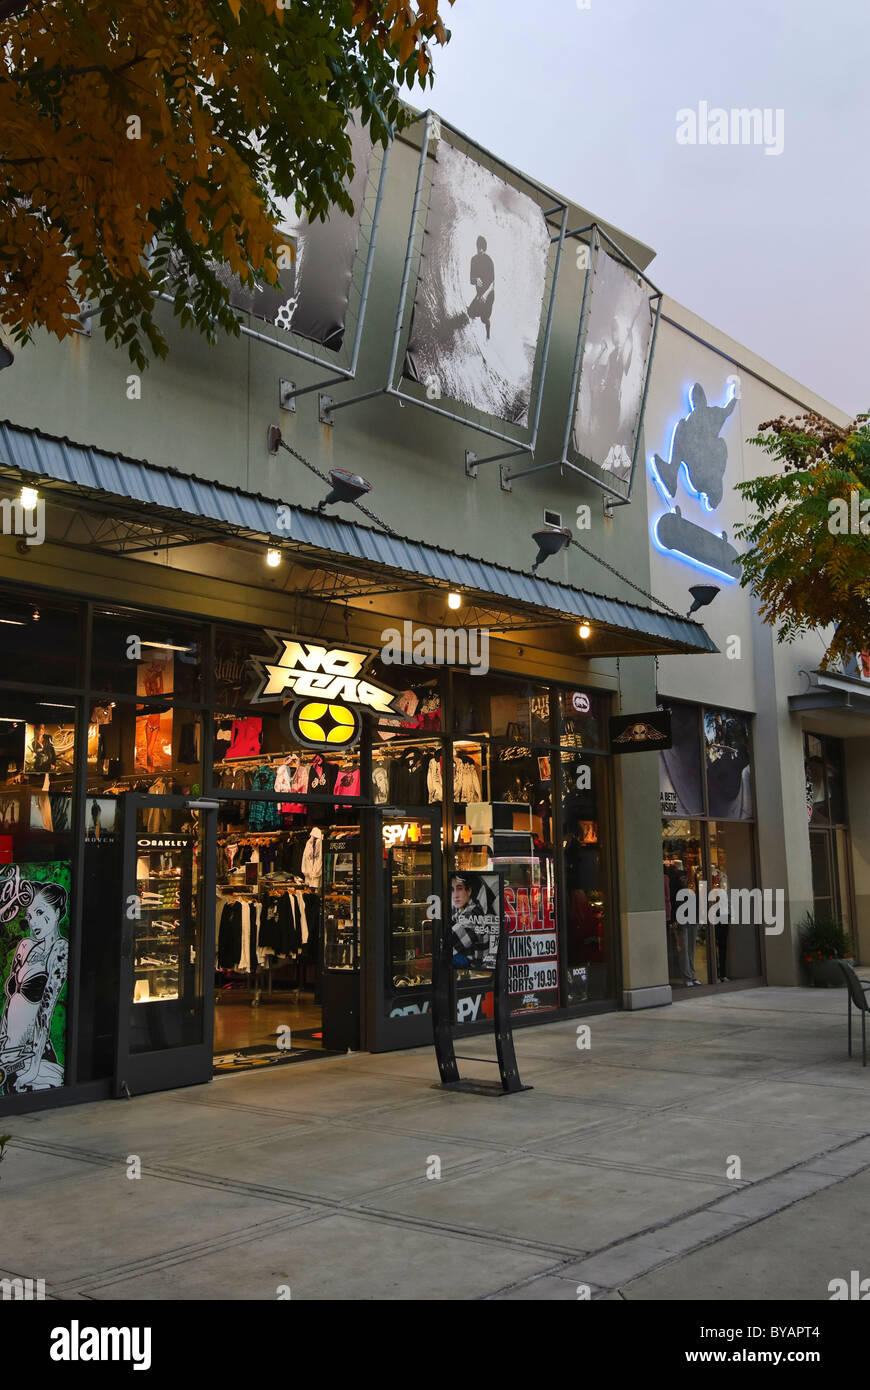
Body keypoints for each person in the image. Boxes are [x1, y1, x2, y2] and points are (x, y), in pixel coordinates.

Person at [0, 881, 68, 1092]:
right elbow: (9, 1004)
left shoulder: (59, 950)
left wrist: (33, 1069)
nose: (33, 922)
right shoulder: (25, 946)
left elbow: (45, 1015)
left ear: (57, 913)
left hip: (32, 1056)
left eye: (40, 912)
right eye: (29, 916)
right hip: (8, 1051)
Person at [468, 236, 495, 341]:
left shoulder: (489, 261)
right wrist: (476, 279)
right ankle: (473, 333)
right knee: (471, 312)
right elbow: (471, 280)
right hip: (479, 295)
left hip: (489, 294)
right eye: (479, 247)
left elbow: (493, 283)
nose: (480, 250)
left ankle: (488, 337)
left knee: (484, 318)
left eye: (482, 248)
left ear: (485, 248)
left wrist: (485, 295)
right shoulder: (473, 260)